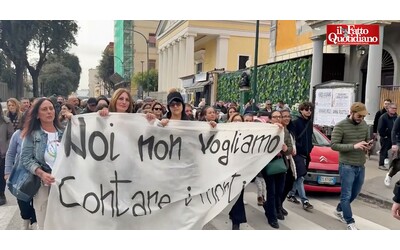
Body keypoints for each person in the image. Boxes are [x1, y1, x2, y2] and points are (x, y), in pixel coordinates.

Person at [19, 98, 64, 229]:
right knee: (45, 224)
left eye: (51, 108)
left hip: (63, 184)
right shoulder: (32, 135)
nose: (49, 112)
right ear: (37, 115)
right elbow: (26, 159)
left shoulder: (65, 132)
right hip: (42, 185)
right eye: (44, 109)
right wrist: (41, 173)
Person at [330, 102, 371, 230]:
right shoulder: (340, 126)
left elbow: (366, 139)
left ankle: (339, 209)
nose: (361, 119)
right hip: (346, 165)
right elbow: (334, 145)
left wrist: (367, 146)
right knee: (346, 195)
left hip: (360, 164)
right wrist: (354, 146)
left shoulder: (364, 124)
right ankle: (350, 221)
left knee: (355, 193)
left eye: (363, 117)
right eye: (359, 116)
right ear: (351, 113)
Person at [4, 112, 38, 229]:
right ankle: (25, 218)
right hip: (21, 172)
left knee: (36, 199)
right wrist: (7, 172)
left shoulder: (40, 133)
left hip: (37, 173)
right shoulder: (17, 134)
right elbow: (10, 154)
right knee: (22, 198)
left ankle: (34, 221)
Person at [288, 101, 314, 211]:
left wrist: (310, 148)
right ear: (301, 110)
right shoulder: (295, 122)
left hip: (306, 153)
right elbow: (292, 138)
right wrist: (300, 148)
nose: (308, 112)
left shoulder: (310, 123)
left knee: (299, 175)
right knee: (300, 177)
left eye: (310, 110)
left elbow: (310, 137)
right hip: (297, 153)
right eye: (306, 109)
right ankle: (305, 200)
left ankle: (291, 194)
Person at [0, 102, 15, 206]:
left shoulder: (6, 121)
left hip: (2, 153)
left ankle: (1, 194)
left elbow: (11, 136)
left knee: (1, 175)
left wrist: (5, 147)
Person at [377, 103, 397, 170]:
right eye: (392, 108)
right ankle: (381, 164)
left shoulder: (396, 117)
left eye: (395, 108)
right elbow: (380, 128)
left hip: (394, 137)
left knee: (394, 151)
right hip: (386, 137)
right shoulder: (383, 117)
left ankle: (393, 165)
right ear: (388, 109)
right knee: (383, 150)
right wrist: (384, 135)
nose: (394, 110)